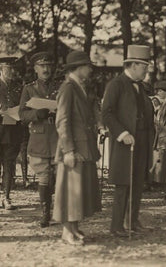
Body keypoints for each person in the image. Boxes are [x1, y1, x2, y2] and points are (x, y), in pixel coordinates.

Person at [101, 45, 155, 237]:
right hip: (125, 142)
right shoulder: (116, 84)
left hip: (141, 141)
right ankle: (116, 226)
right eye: (143, 67)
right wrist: (122, 134)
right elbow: (106, 113)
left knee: (138, 182)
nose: (146, 70)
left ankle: (132, 221)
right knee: (123, 184)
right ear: (132, 65)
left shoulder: (141, 87)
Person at [53, 51, 101, 245]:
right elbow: (62, 121)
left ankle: (74, 227)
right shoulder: (68, 88)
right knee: (70, 191)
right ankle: (67, 232)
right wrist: (68, 150)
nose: (90, 70)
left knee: (79, 191)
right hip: (74, 148)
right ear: (79, 68)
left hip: (84, 146)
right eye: (87, 66)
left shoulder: (79, 87)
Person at [19, 51, 60, 227]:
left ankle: (60, 210)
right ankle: (45, 213)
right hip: (40, 138)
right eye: (42, 66)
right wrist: (37, 113)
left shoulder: (62, 86)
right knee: (43, 177)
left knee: (60, 177)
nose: (46, 69)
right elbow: (22, 114)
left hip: (59, 137)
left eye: (49, 66)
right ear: (35, 69)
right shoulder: (29, 88)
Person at [0, 57, 24, 210]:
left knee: (9, 165)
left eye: (13, 68)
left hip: (12, 130)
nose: (11, 72)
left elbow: (23, 107)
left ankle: (6, 197)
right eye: (8, 69)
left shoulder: (19, 87)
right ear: (0, 69)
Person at [151, 81, 166, 189]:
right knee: (162, 161)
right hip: (161, 137)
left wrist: (158, 124)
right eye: (158, 91)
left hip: (165, 137)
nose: (159, 93)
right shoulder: (164, 104)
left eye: (161, 91)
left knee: (165, 162)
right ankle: (164, 185)